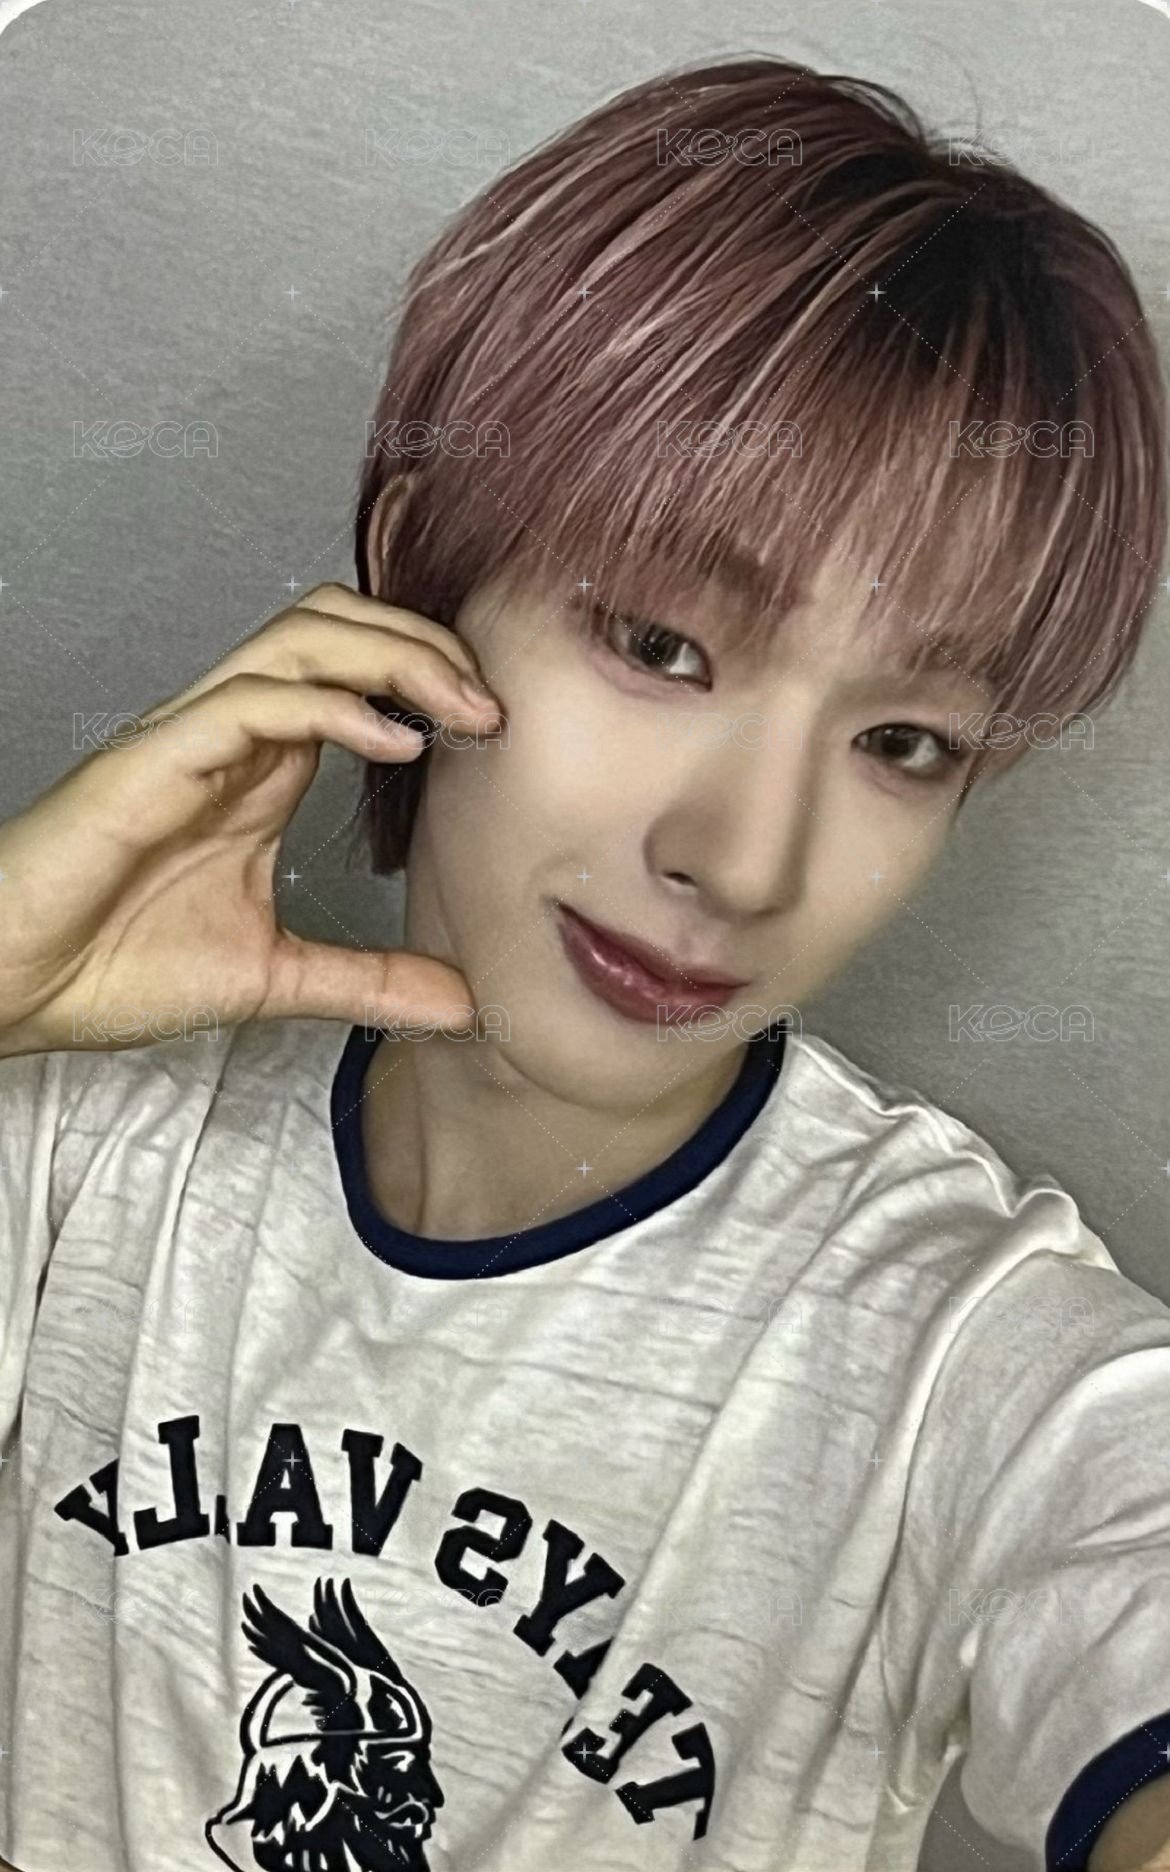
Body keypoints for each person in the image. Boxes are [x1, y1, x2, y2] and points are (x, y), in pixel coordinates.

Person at [0, 51, 1167, 1872]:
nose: (744, 860)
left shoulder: (963, 1354)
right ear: (417, 578)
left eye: (903, 742)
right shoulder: (88, 1138)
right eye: (660, 643)